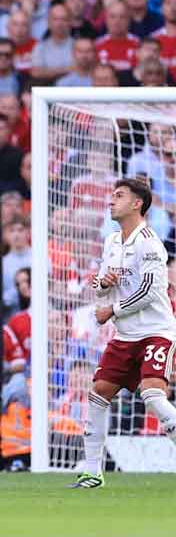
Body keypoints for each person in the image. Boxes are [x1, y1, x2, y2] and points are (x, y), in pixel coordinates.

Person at [72, 178, 176, 488]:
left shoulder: (150, 243)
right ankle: (92, 472)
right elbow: (100, 283)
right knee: (98, 393)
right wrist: (102, 285)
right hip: (125, 336)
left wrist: (112, 310)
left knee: (153, 394)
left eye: (119, 196)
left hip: (156, 331)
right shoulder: (112, 241)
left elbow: (150, 291)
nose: (111, 201)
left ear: (136, 204)